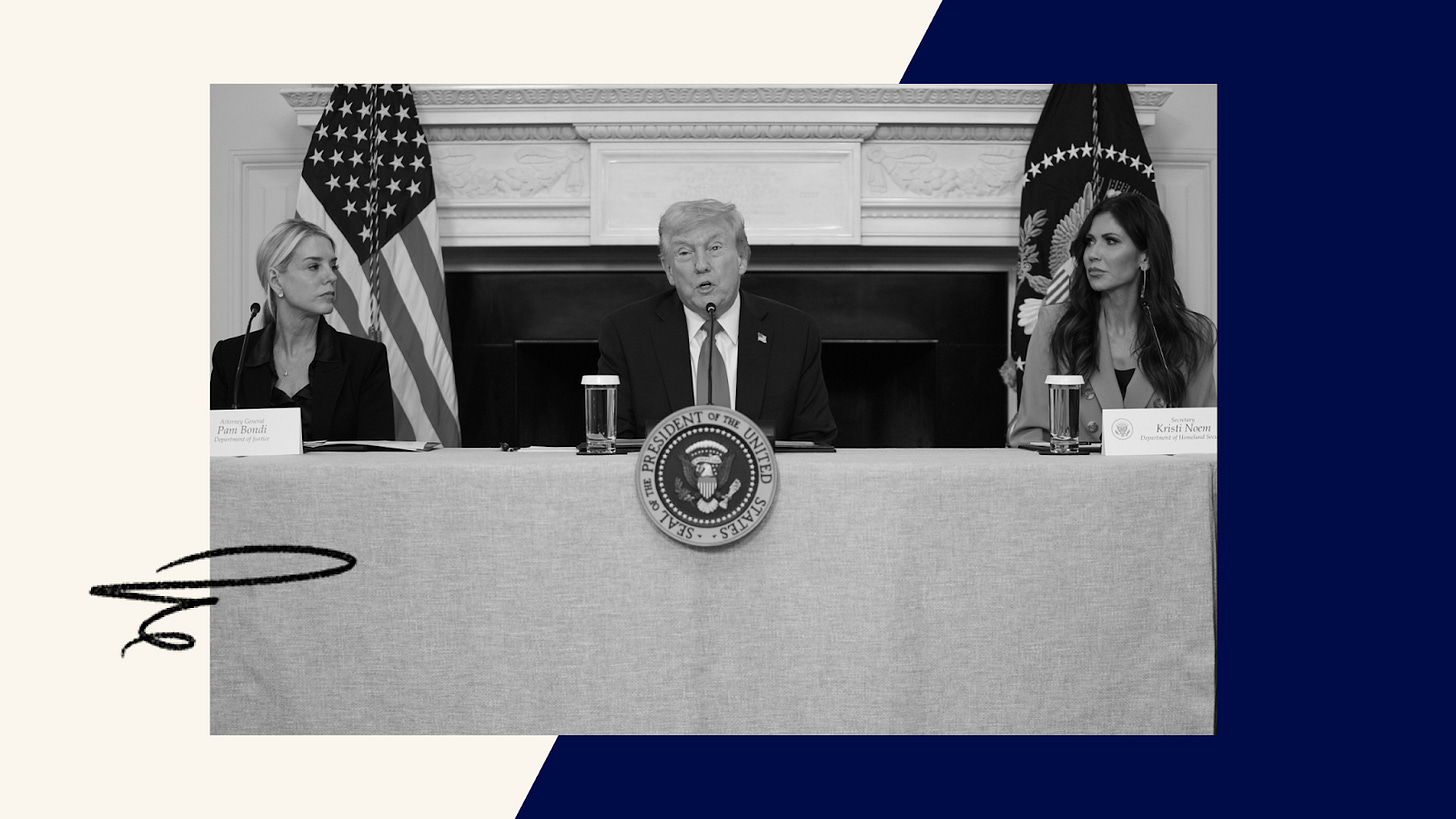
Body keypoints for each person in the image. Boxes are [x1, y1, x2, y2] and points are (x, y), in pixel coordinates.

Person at [597, 199, 837, 444]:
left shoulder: (793, 332)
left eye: (714, 248)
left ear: (742, 258)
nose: (701, 265)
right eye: (684, 253)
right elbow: (613, 445)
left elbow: (814, 441)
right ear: (669, 269)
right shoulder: (627, 333)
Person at [1008, 192, 1216, 446]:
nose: (1092, 254)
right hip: (1077, 482)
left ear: (1146, 257)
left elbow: (1204, 440)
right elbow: (1029, 435)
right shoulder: (1056, 325)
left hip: (1160, 482)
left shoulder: (1192, 335)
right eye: (1090, 241)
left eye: (1111, 241)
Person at [210, 218, 395, 441]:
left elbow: (378, 462)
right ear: (276, 281)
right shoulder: (230, 358)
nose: (331, 277)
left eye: (333, 266)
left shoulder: (366, 360)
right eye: (314, 266)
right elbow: (215, 455)